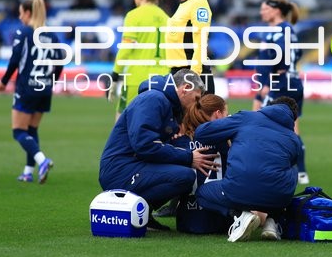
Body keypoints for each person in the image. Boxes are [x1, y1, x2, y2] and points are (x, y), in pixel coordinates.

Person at [98, 69, 218, 230]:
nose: (195, 105)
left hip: (132, 165)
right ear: (186, 88)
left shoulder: (166, 103)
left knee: (184, 170)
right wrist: (188, 157)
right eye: (196, 98)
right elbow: (145, 145)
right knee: (185, 176)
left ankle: (142, 214)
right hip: (120, 170)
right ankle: (133, 211)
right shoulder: (153, 99)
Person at [194, 96, 302, 242]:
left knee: (202, 193)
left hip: (237, 191)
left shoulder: (246, 117)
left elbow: (201, 133)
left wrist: (227, 128)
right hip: (277, 199)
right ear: (293, 118)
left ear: (269, 106)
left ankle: (239, 215)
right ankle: (273, 221)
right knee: (290, 170)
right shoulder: (294, 139)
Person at [0, 0, 62, 184]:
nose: (19, 17)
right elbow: (60, 62)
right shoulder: (52, 35)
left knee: (19, 131)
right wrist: (52, 82)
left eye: (21, 13)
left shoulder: (24, 32)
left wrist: (3, 81)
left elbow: (15, 59)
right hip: (44, 88)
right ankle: (28, 172)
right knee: (32, 129)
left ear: (28, 13)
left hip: (27, 88)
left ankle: (42, 161)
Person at [253, 0, 310, 185]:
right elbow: (297, 53)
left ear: (276, 10)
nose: (261, 12)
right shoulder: (286, 30)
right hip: (290, 81)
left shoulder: (280, 30)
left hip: (280, 83)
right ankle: (301, 172)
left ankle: (266, 167)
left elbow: (281, 55)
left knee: (259, 125)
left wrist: (270, 79)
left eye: (265, 9)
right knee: (292, 128)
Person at [108, 0, 170, 121]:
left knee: (122, 123)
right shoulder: (167, 18)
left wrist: (115, 76)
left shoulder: (133, 15)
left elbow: (125, 49)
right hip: (162, 80)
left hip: (136, 79)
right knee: (154, 122)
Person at [172, 94, 232, 234]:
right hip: (223, 221)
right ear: (218, 114)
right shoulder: (225, 142)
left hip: (187, 221)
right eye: (226, 114)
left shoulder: (179, 142)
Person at [163, 0, 216, 93]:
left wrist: (193, 79)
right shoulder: (183, 5)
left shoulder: (198, 3)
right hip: (179, 74)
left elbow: (200, 43)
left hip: (192, 77)